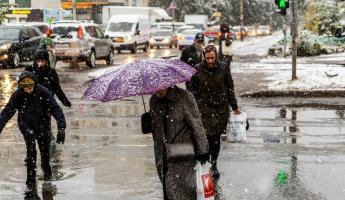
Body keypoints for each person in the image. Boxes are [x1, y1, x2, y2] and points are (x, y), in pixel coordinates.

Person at [0, 71, 66, 196]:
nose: (28, 90)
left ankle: (47, 174)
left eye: (30, 87)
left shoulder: (43, 92)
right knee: (31, 154)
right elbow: (7, 112)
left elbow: (56, 109)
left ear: (34, 84)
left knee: (44, 154)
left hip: (43, 127)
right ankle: (30, 183)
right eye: (25, 88)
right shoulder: (18, 95)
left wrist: (61, 127)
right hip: (27, 126)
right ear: (21, 87)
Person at [187, 45, 241, 178]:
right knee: (205, 136)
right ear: (204, 58)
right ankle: (204, 161)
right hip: (204, 108)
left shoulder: (224, 67)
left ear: (216, 56)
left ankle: (214, 163)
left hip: (220, 108)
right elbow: (190, 88)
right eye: (208, 58)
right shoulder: (197, 69)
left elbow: (229, 88)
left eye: (212, 57)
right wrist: (195, 100)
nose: (210, 60)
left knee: (216, 138)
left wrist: (234, 106)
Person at [149, 86, 209, 200]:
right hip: (163, 157)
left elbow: (197, 125)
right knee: (169, 190)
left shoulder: (184, 97)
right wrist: (148, 122)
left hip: (183, 156)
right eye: (155, 86)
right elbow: (157, 131)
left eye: (162, 85)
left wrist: (203, 149)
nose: (159, 89)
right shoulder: (153, 100)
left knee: (180, 192)